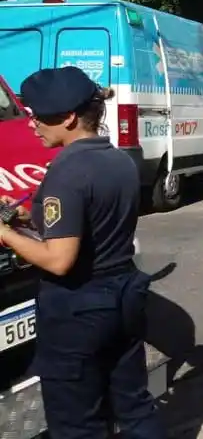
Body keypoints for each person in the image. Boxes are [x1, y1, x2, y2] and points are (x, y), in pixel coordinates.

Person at [0, 66, 165, 438]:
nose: (32, 124)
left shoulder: (66, 172)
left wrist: (5, 234)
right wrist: (29, 215)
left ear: (70, 117)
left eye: (39, 116)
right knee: (134, 405)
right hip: (123, 295)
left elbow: (60, 261)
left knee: (78, 423)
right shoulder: (118, 159)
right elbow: (90, 222)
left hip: (79, 310)